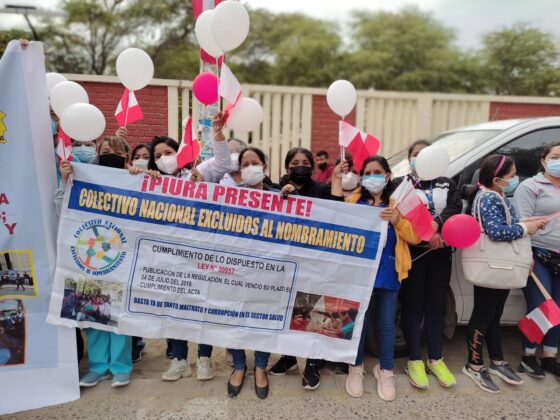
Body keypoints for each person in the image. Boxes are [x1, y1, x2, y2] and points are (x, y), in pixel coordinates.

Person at [136, 113, 233, 382]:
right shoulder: (152, 179)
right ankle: (179, 361)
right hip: (168, 258)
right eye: (158, 156)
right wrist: (141, 175)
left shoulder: (199, 172)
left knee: (202, 306)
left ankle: (204, 359)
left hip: (201, 254)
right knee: (173, 309)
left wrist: (217, 133)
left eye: (168, 152)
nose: (164, 158)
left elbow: (224, 162)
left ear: (180, 152)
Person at [333, 155, 420, 400]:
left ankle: (386, 370)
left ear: (387, 176)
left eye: (377, 172)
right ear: (361, 177)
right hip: (359, 275)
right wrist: (337, 179)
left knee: (386, 324)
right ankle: (356, 367)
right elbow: (337, 224)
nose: (372, 177)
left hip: (389, 274)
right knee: (358, 322)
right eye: (368, 173)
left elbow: (415, 236)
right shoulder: (353, 201)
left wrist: (397, 220)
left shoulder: (398, 203)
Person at [463, 154, 547, 393]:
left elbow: (507, 222)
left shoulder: (497, 194)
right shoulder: (489, 197)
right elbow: (496, 232)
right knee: (483, 315)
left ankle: (497, 360)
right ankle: (474, 365)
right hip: (493, 264)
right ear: (497, 179)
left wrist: (529, 222)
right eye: (512, 175)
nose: (515, 179)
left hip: (500, 265)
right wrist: (525, 228)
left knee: (494, 314)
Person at [60, 135, 134, 388]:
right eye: (105, 151)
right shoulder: (79, 181)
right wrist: (65, 182)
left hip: (120, 257)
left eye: (117, 152)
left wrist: (141, 176)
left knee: (118, 314)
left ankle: (121, 367)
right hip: (89, 256)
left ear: (126, 158)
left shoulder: (134, 180)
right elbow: (61, 210)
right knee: (92, 312)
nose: (110, 155)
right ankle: (98, 367)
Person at [270, 147, 338, 389]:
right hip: (286, 261)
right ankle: (289, 356)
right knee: (289, 310)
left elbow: (337, 211)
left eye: (305, 162)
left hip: (314, 260)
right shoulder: (277, 188)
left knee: (310, 310)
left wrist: (337, 179)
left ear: (312, 166)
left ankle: (312, 361)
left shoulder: (321, 190)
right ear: (287, 167)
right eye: (295, 162)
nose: (300, 166)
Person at [399, 139, 462, 390]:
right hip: (414, 253)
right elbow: (403, 215)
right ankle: (414, 359)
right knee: (413, 306)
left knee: (436, 307)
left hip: (440, 252)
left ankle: (436, 359)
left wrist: (437, 225)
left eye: (424, 153)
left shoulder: (447, 183)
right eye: (415, 154)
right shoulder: (402, 184)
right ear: (409, 159)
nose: (420, 158)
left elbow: (455, 208)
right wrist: (427, 233)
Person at [227, 146, 276, 399]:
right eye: (244, 165)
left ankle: (260, 366)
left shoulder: (280, 197)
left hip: (268, 272)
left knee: (263, 317)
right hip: (235, 270)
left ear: (264, 166)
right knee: (231, 316)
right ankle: (238, 365)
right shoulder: (228, 197)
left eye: (254, 163)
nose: (249, 168)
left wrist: (291, 197)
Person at [514, 142, 560, 379]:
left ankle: (550, 356)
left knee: (558, 307)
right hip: (537, 253)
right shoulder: (530, 186)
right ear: (543, 161)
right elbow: (521, 222)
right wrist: (526, 255)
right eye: (555, 156)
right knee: (540, 304)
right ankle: (528, 356)